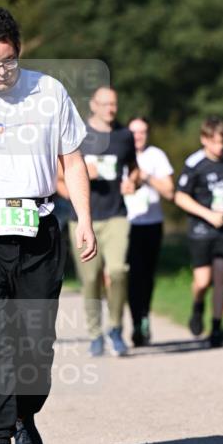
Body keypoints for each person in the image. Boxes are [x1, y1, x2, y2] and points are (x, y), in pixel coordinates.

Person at [0, 6, 96, 444]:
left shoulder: (49, 92)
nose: (2, 71)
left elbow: (73, 162)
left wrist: (84, 220)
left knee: (34, 342)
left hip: (38, 228)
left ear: (19, 50)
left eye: (9, 61)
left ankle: (23, 415)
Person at [57, 87, 138, 357]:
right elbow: (58, 179)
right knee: (91, 279)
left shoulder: (125, 136)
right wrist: (80, 185)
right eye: (105, 104)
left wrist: (132, 182)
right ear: (93, 105)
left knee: (117, 271)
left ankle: (115, 328)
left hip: (116, 215)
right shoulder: (78, 135)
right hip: (82, 219)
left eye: (114, 104)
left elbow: (133, 168)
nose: (110, 109)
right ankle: (95, 334)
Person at [174, 116, 223, 348]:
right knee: (203, 281)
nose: (220, 147)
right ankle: (197, 306)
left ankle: (216, 328)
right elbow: (180, 196)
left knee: (221, 277)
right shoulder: (195, 164)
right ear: (204, 140)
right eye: (215, 142)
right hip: (201, 229)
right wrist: (208, 215)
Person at [122, 117, 174, 346]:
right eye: (134, 132)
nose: (138, 136)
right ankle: (135, 322)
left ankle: (144, 315)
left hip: (152, 224)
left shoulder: (156, 156)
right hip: (126, 223)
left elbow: (170, 191)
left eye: (142, 132)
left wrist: (147, 177)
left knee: (147, 276)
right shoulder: (120, 154)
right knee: (132, 275)